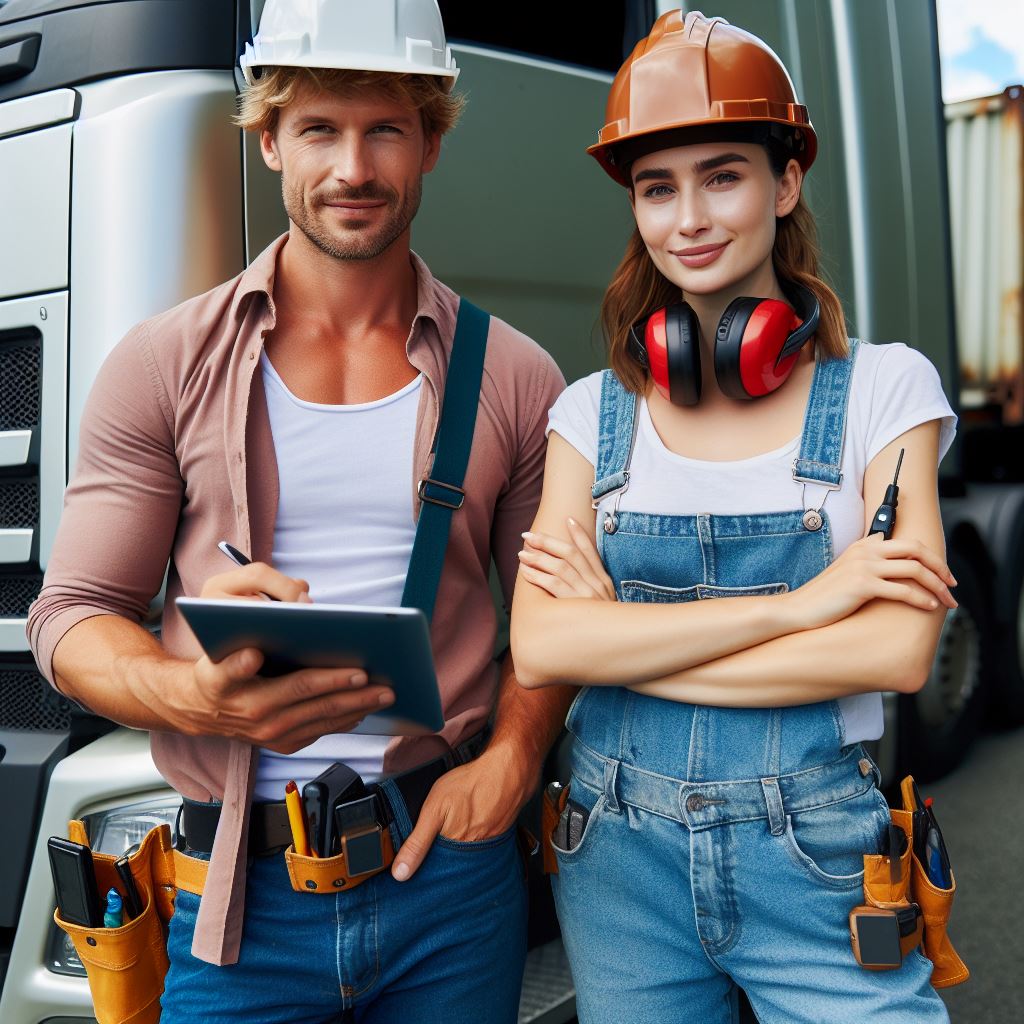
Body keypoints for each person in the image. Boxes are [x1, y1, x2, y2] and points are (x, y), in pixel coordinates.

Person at [27, 1, 570, 1021]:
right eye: (320, 128)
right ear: (269, 136)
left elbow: (553, 625)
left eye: (385, 129)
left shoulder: (513, 375)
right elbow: (72, 616)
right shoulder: (164, 364)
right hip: (233, 890)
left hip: (445, 877)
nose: (352, 168)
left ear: (432, 143)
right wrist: (188, 691)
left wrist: (512, 756)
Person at [511, 11, 956, 1024]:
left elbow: (894, 652)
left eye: (722, 175)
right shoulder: (589, 412)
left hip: (817, 851)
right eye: (656, 188)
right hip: (614, 856)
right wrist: (805, 608)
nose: (689, 218)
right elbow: (540, 645)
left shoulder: (884, 391)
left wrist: (617, 641)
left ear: (783, 182)